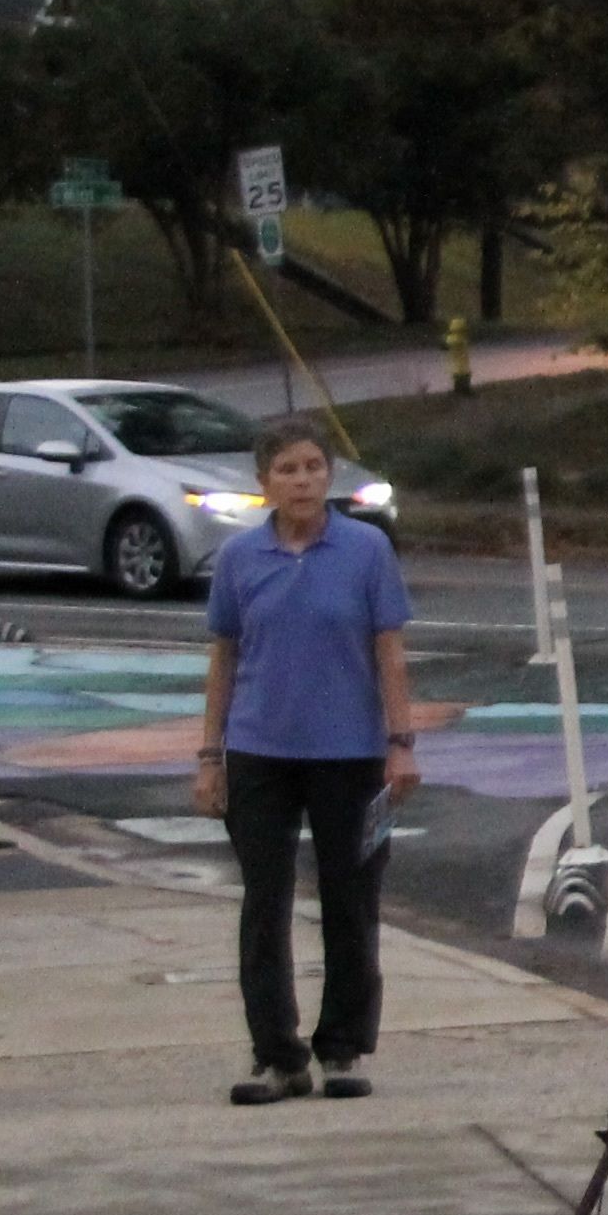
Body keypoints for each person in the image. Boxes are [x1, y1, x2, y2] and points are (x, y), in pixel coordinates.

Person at [193, 415, 416, 1105]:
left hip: (351, 755)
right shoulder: (239, 560)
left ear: (329, 476)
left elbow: (389, 647)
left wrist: (400, 743)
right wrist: (211, 754)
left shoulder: (367, 550)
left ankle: (342, 1046)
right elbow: (225, 655)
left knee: (351, 899)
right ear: (264, 483)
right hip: (260, 750)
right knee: (265, 902)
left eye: (314, 468)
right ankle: (276, 1055)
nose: (303, 481)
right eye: (288, 470)